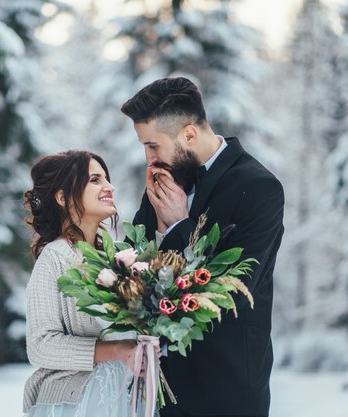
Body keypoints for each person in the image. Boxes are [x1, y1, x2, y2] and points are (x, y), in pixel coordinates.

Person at [121, 77, 285, 417]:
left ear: (189, 135)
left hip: (227, 390)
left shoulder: (260, 188)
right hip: (162, 390)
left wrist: (180, 227)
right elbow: (132, 262)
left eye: (153, 145)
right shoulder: (164, 180)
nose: (149, 159)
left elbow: (233, 293)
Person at [22, 150, 158, 417]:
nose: (110, 187)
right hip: (78, 404)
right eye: (95, 180)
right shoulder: (55, 259)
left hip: (127, 399)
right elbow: (40, 346)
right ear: (62, 197)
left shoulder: (117, 258)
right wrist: (117, 350)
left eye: (107, 179)